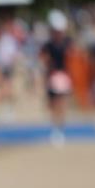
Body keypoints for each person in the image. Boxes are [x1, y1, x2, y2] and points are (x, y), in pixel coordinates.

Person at [41, 10, 72, 147]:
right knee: (54, 105)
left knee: (62, 104)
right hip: (53, 76)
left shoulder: (67, 43)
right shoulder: (49, 45)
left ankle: (60, 129)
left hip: (63, 76)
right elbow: (43, 60)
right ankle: (55, 129)